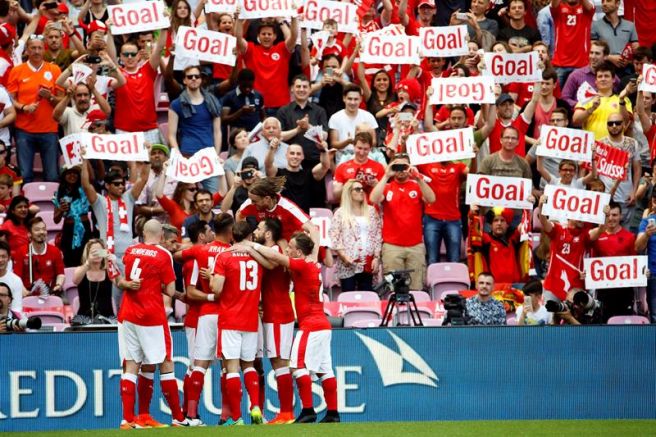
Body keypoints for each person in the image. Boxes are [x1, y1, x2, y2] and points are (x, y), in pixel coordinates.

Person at [246, 230, 339, 423]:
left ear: (298, 252)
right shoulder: (312, 265)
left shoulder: (304, 265)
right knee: (325, 370)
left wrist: (251, 245)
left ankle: (308, 410)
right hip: (322, 324)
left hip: (311, 326)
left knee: (296, 367)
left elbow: (275, 256)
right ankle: (333, 413)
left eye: (290, 247)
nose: (287, 250)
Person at [118, 220, 189, 429]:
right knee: (166, 362)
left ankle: (131, 419)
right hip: (151, 315)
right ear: (160, 236)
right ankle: (178, 418)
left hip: (128, 314)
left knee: (132, 364)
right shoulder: (162, 255)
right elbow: (169, 290)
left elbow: (122, 278)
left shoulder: (131, 250)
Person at [177, 214, 233, 426]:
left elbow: (178, 255)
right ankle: (225, 417)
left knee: (198, 364)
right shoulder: (233, 252)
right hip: (227, 312)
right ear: (229, 231)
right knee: (227, 366)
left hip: (206, 314)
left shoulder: (199, 252)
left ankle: (191, 414)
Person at [209, 221, 265, 426]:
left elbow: (217, 289)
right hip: (251, 319)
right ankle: (256, 406)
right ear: (250, 237)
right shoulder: (257, 258)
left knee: (232, 368)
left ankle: (237, 418)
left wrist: (212, 278)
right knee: (249, 365)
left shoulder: (223, 256)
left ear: (232, 236)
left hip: (230, 318)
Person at [81, 157, 150, 309]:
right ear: (107, 185)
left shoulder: (128, 198)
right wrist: (84, 161)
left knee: (131, 298)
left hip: (128, 257)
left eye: (123, 183)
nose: (121, 186)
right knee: (112, 301)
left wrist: (146, 158)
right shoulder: (99, 201)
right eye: (117, 184)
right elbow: (86, 185)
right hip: (107, 257)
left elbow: (144, 178)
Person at [250, 218, 296, 424]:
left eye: (259, 229)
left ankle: (286, 413)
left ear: (268, 234)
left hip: (278, 313)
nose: (255, 231)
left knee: (279, 361)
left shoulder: (276, 250)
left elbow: (272, 261)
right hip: (269, 313)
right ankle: (269, 413)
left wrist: (248, 246)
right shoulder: (266, 251)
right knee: (271, 361)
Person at [370, 154, 436, 291]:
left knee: (416, 288)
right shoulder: (387, 187)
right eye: (396, 166)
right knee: (393, 289)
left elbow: (431, 199)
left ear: (409, 167)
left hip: (415, 246)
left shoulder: (416, 186)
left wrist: (417, 177)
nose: (400, 170)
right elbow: (374, 199)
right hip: (392, 247)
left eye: (404, 166)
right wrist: (386, 175)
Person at [7, 35, 62, 182]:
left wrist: (50, 97)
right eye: (33, 48)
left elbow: (62, 101)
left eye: (39, 48)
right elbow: (10, 99)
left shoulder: (55, 70)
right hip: (24, 130)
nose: (36, 51)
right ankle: (24, 205)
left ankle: (53, 204)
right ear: (27, 51)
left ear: (44, 50)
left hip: (49, 129)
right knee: (25, 175)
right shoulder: (17, 71)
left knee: (52, 175)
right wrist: (24, 107)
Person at [537, 195, 607, 302]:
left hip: (575, 287)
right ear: (569, 215)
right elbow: (543, 221)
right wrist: (541, 205)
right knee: (551, 317)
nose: (582, 218)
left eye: (583, 215)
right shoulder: (558, 229)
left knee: (571, 318)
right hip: (553, 285)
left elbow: (601, 229)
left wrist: (604, 215)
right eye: (579, 215)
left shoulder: (585, 235)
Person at [168, 65, 223, 193]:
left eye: (197, 76)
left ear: (201, 79)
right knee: (186, 197)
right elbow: (171, 134)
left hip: (209, 156)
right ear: (184, 80)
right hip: (187, 155)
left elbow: (217, 131)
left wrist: (216, 153)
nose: (193, 79)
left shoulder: (212, 101)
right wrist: (178, 156)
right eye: (190, 77)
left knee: (213, 196)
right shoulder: (176, 104)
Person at [112, 29, 167, 144]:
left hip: (149, 129)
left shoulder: (147, 69)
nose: (130, 57)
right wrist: (108, 31)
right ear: (121, 57)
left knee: (152, 161)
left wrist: (164, 27)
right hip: (124, 130)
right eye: (126, 55)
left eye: (133, 54)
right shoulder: (118, 73)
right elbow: (110, 55)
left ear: (139, 55)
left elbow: (160, 48)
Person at [235, 16, 298, 114]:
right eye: (263, 34)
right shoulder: (251, 49)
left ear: (275, 36)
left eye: (269, 34)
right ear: (258, 36)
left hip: (281, 105)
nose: (266, 36)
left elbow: (293, 37)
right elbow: (238, 38)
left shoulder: (282, 49)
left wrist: (292, 18)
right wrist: (240, 18)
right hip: (257, 105)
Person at [330, 180, 382, 292]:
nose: (361, 191)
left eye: (362, 189)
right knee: (349, 297)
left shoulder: (372, 211)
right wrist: (343, 256)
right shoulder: (340, 213)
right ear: (349, 192)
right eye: (357, 189)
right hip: (348, 262)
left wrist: (376, 257)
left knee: (367, 296)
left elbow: (377, 235)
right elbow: (334, 237)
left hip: (368, 262)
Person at [590, 201, 636, 321]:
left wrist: (642, 272)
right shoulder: (597, 237)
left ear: (621, 216)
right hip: (604, 290)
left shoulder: (630, 237)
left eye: (615, 215)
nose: (611, 218)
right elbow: (593, 261)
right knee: (604, 321)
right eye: (608, 215)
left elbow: (634, 261)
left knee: (625, 321)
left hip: (624, 290)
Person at [237, 177, 314, 242]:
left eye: (254, 201)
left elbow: (313, 229)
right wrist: (244, 238)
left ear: (267, 198)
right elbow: (239, 215)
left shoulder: (288, 207)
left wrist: (313, 255)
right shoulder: (251, 202)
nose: (252, 203)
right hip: (271, 243)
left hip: (291, 245)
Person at [597, 112, 641, 221]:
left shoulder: (632, 143)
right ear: (607, 126)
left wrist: (634, 191)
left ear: (624, 124)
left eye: (617, 123)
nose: (614, 126)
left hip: (625, 197)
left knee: (625, 233)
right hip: (605, 197)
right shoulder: (599, 144)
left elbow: (637, 168)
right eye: (610, 123)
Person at [573, 62, 633, 139]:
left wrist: (621, 100)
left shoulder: (624, 99)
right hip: (592, 146)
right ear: (596, 81)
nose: (603, 79)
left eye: (606, 76)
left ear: (613, 79)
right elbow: (575, 121)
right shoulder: (587, 98)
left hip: (615, 148)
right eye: (600, 76)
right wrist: (592, 108)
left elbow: (626, 122)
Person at [264, 142, 331, 212]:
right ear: (286, 155)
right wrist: (271, 149)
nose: (295, 156)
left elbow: (325, 166)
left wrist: (323, 150)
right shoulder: (278, 173)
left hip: (304, 219)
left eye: (298, 154)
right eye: (292, 153)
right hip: (283, 217)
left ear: (303, 157)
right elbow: (268, 164)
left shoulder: (309, 174)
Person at [328, 85, 383, 165]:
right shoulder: (335, 117)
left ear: (361, 99)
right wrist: (348, 142)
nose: (353, 102)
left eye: (356, 99)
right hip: (343, 158)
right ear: (344, 98)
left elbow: (374, 142)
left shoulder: (368, 116)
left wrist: (361, 141)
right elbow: (333, 144)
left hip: (366, 156)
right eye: (350, 99)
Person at [14, 217, 65, 297]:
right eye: (37, 230)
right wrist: (24, 292)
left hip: (50, 295)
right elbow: (17, 277)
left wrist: (58, 285)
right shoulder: (21, 252)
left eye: (44, 229)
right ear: (29, 234)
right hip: (27, 295)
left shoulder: (55, 251)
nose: (42, 232)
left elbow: (60, 274)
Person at [550, 0, 596, 86]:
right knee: (557, 97)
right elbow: (554, 5)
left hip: (581, 64)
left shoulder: (586, 9)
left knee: (581, 97)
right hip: (560, 63)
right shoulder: (558, 8)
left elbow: (590, 7)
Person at [53, 165, 92, 267]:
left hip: (84, 227)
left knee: (87, 257)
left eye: (75, 173)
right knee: (69, 260)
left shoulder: (84, 189)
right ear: (64, 175)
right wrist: (61, 210)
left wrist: (85, 162)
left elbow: (91, 177)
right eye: (69, 173)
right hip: (68, 230)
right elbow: (56, 220)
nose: (72, 175)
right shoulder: (59, 193)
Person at [332, 131, 385, 200]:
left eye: (365, 149)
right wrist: (348, 185)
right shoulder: (342, 167)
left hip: (371, 207)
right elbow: (336, 196)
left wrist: (376, 185)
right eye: (359, 148)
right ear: (354, 146)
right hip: (349, 207)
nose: (362, 153)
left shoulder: (379, 167)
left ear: (370, 149)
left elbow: (384, 196)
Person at [135, 144, 178, 224]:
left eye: (160, 153)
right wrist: (156, 210)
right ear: (149, 158)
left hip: (173, 223)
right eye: (153, 153)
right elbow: (139, 208)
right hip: (152, 224)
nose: (156, 156)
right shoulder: (144, 178)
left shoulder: (176, 176)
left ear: (166, 158)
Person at [72, 239, 114, 319]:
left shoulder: (109, 271)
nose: (97, 254)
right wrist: (88, 263)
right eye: (94, 252)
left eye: (100, 251)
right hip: (84, 317)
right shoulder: (81, 269)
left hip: (107, 317)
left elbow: (119, 283)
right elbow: (75, 280)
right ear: (87, 254)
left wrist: (111, 262)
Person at [591, 0, 639, 66]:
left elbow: (636, 49)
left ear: (618, 3)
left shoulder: (630, 25)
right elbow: (592, 49)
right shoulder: (595, 25)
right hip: (604, 69)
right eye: (602, 1)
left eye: (608, 1)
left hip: (627, 70)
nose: (604, 4)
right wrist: (610, 57)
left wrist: (629, 60)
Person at [636, 197, 656, 322]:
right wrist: (647, 235)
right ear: (654, 201)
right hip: (654, 275)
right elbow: (638, 247)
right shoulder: (647, 222)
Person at [0, 196, 33, 263]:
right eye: (19, 207)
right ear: (13, 211)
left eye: (25, 207)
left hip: (31, 259)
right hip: (13, 261)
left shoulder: (31, 224)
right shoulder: (7, 225)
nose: (23, 209)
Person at [0, 241, 26, 312]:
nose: (0, 260)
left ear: (9, 258)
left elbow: (16, 309)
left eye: (3, 256)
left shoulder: (16, 280)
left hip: (7, 320)